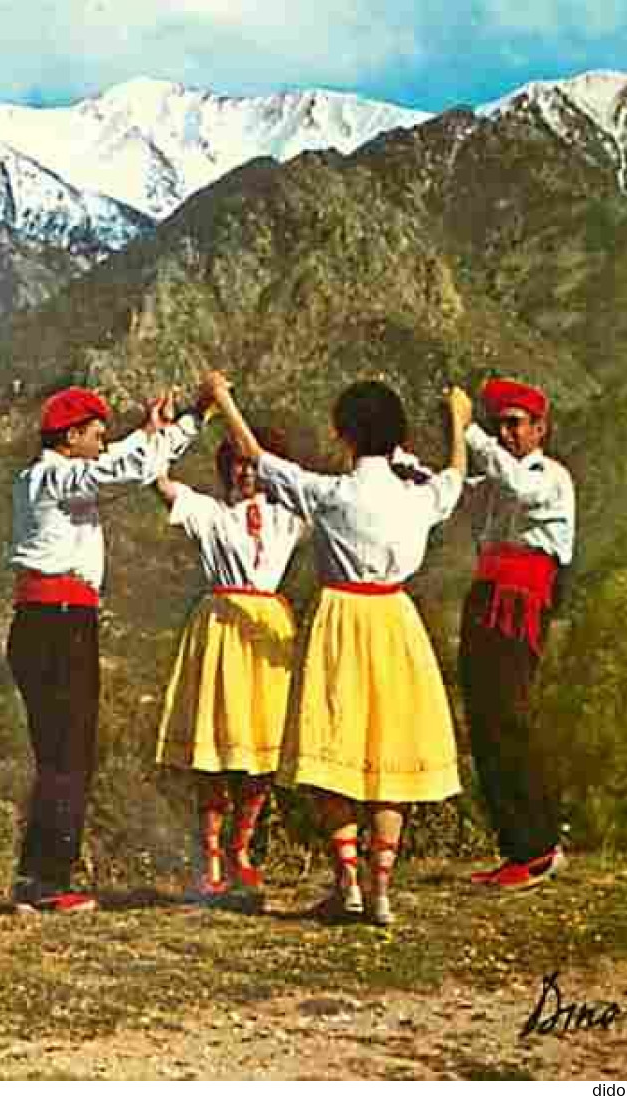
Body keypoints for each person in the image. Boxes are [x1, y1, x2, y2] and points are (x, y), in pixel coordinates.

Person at [210, 373, 472, 926]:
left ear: (343, 434)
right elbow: (453, 477)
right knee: (388, 752)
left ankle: (348, 879)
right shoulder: (417, 495)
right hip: (396, 619)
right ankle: (380, 887)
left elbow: (255, 456)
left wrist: (224, 399)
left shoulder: (331, 493)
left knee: (336, 751)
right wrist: (459, 424)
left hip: (341, 619)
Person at [6, 379, 213, 914]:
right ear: (72, 435)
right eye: (96, 433)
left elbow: (126, 458)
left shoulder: (52, 475)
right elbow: (125, 467)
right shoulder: (55, 477)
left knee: (62, 754)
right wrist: (158, 432)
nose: (103, 441)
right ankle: (47, 880)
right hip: (60, 622)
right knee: (68, 754)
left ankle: (39, 875)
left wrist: (187, 422)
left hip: (53, 620)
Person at [152, 430, 306, 900]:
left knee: (264, 746)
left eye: (253, 464)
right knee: (214, 746)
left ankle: (241, 850)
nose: (245, 473)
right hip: (220, 627)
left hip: (268, 631)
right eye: (236, 464)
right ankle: (212, 857)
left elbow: (338, 502)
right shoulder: (210, 513)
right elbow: (159, 482)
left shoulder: (289, 518)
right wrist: (161, 437)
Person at [458, 378, 576, 892]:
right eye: (498, 423)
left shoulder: (549, 476)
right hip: (489, 594)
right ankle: (517, 846)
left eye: (514, 424)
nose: (504, 433)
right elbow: (464, 492)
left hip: (522, 599)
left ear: (539, 429)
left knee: (509, 713)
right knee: (484, 718)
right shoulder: (498, 477)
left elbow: (518, 488)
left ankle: (538, 845)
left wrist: (471, 434)